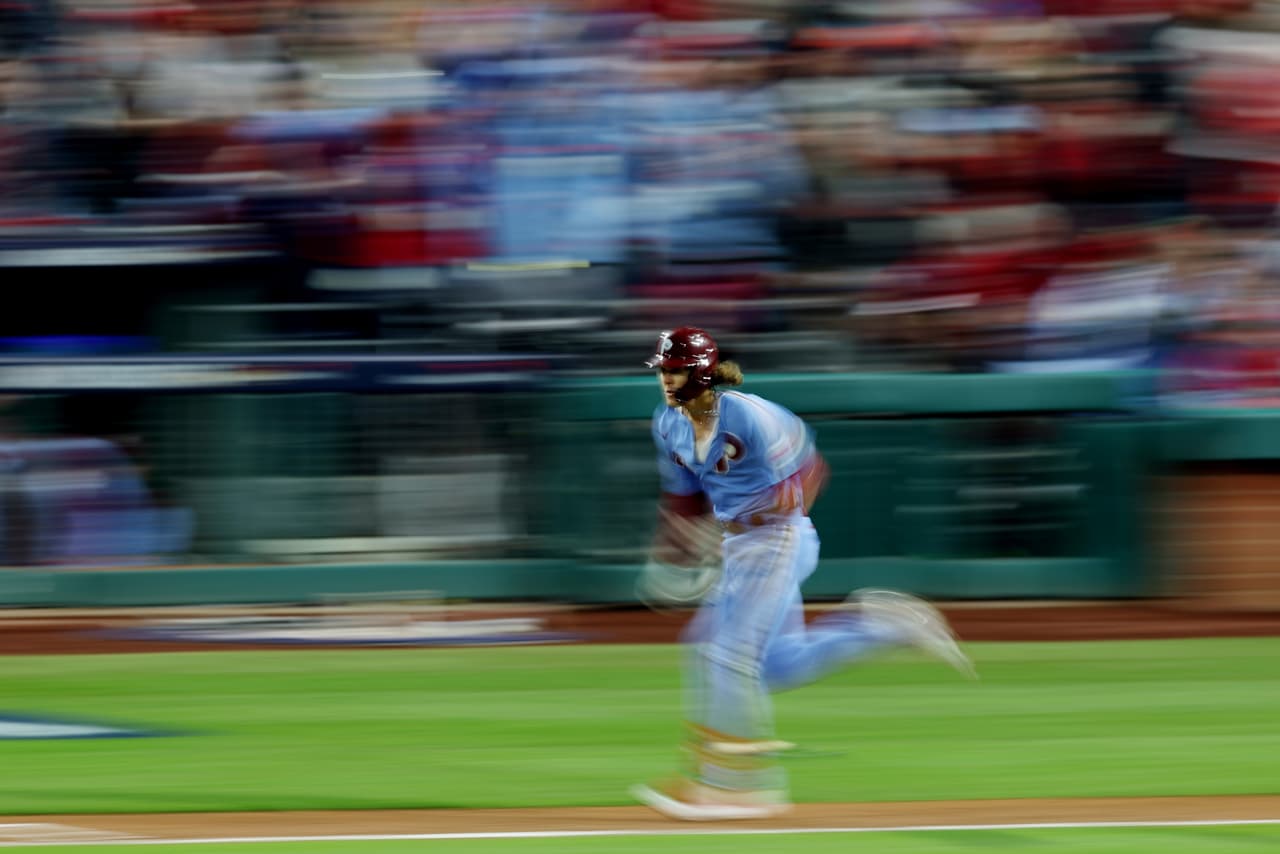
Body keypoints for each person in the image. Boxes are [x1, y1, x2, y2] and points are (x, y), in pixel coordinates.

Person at [630, 325, 977, 821]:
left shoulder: (749, 415)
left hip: (777, 539)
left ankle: (736, 786)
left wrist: (761, 517)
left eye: (676, 369)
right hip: (739, 546)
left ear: (702, 372)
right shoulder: (668, 424)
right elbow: (683, 496)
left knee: (726, 656)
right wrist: (674, 552)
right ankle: (884, 625)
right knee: (775, 665)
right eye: (663, 370)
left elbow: (811, 471)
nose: (666, 378)